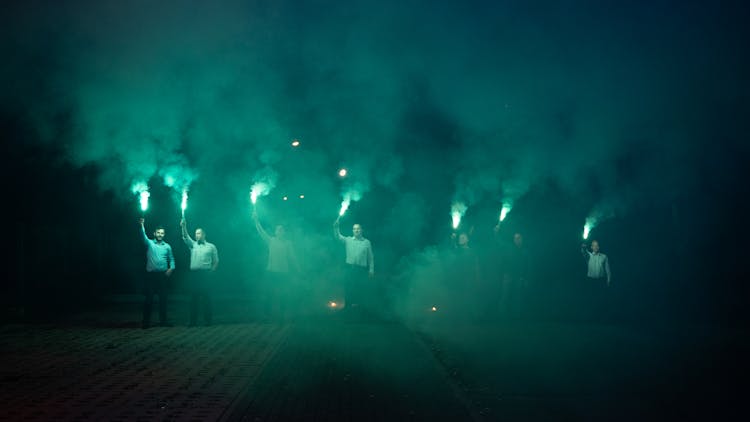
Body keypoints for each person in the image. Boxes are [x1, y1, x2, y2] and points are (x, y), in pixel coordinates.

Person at [252, 209, 299, 321]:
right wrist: (256, 219)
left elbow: (292, 257)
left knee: (283, 294)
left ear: (284, 232)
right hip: (271, 271)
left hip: (284, 272)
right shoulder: (271, 240)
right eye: (278, 229)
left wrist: (298, 268)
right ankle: (267, 315)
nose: (280, 231)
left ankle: (282, 314)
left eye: (282, 230)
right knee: (269, 293)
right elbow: (260, 230)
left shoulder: (288, 243)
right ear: (275, 232)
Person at [181, 218, 219, 326]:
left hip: (205, 275)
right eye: (196, 233)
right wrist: (183, 226)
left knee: (207, 298)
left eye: (199, 233)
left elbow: (216, 261)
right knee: (194, 298)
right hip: (195, 276)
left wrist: (212, 271)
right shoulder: (192, 245)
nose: (197, 235)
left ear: (204, 234)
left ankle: (208, 322)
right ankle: (193, 322)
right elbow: (185, 236)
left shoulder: (211, 246)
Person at [333, 218, 375, 317]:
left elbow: (371, 257)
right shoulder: (348, 240)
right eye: (354, 229)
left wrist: (371, 270)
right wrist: (336, 227)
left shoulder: (366, 242)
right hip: (350, 269)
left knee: (360, 289)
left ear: (361, 230)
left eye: (358, 229)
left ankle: (361, 311)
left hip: (361, 270)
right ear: (352, 231)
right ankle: (347, 309)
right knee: (348, 289)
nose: (356, 230)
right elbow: (337, 237)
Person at [139, 218, 175, 328]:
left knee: (163, 299)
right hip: (151, 276)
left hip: (162, 276)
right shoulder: (149, 243)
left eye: (162, 233)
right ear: (154, 233)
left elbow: (172, 259)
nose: (160, 234)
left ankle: (163, 321)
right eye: (158, 233)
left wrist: (171, 268)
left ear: (164, 234)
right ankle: (146, 322)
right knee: (149, 299)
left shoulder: (167, 246)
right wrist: (142, 225)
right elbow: (142, 235)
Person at [499, 232, 530, 319]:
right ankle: (502, 317)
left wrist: (525, 278)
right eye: (515, 238)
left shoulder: (525, 252)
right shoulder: (509, 248)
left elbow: (527, 266)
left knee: (517, 298)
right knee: (505, 296)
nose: (517, 240)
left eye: (518, 238)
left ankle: (516, 317)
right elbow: (500, 242)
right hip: (508, 276)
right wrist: (496, 232)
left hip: (519, 277)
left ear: (522, 239)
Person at [580, 240, 612, 321]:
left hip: (600, 281)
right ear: (591, 247)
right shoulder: (589, 256)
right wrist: (583, 247)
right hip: (591, 282)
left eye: (597, 245)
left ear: (599, 247)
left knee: (600, 300)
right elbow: (584, 252)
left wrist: (608, 280)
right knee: (591, 299)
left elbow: (607, 269)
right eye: (594, 245)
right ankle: (591, 318)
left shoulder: (604, 256)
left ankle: (601, 317)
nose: (596, 247)